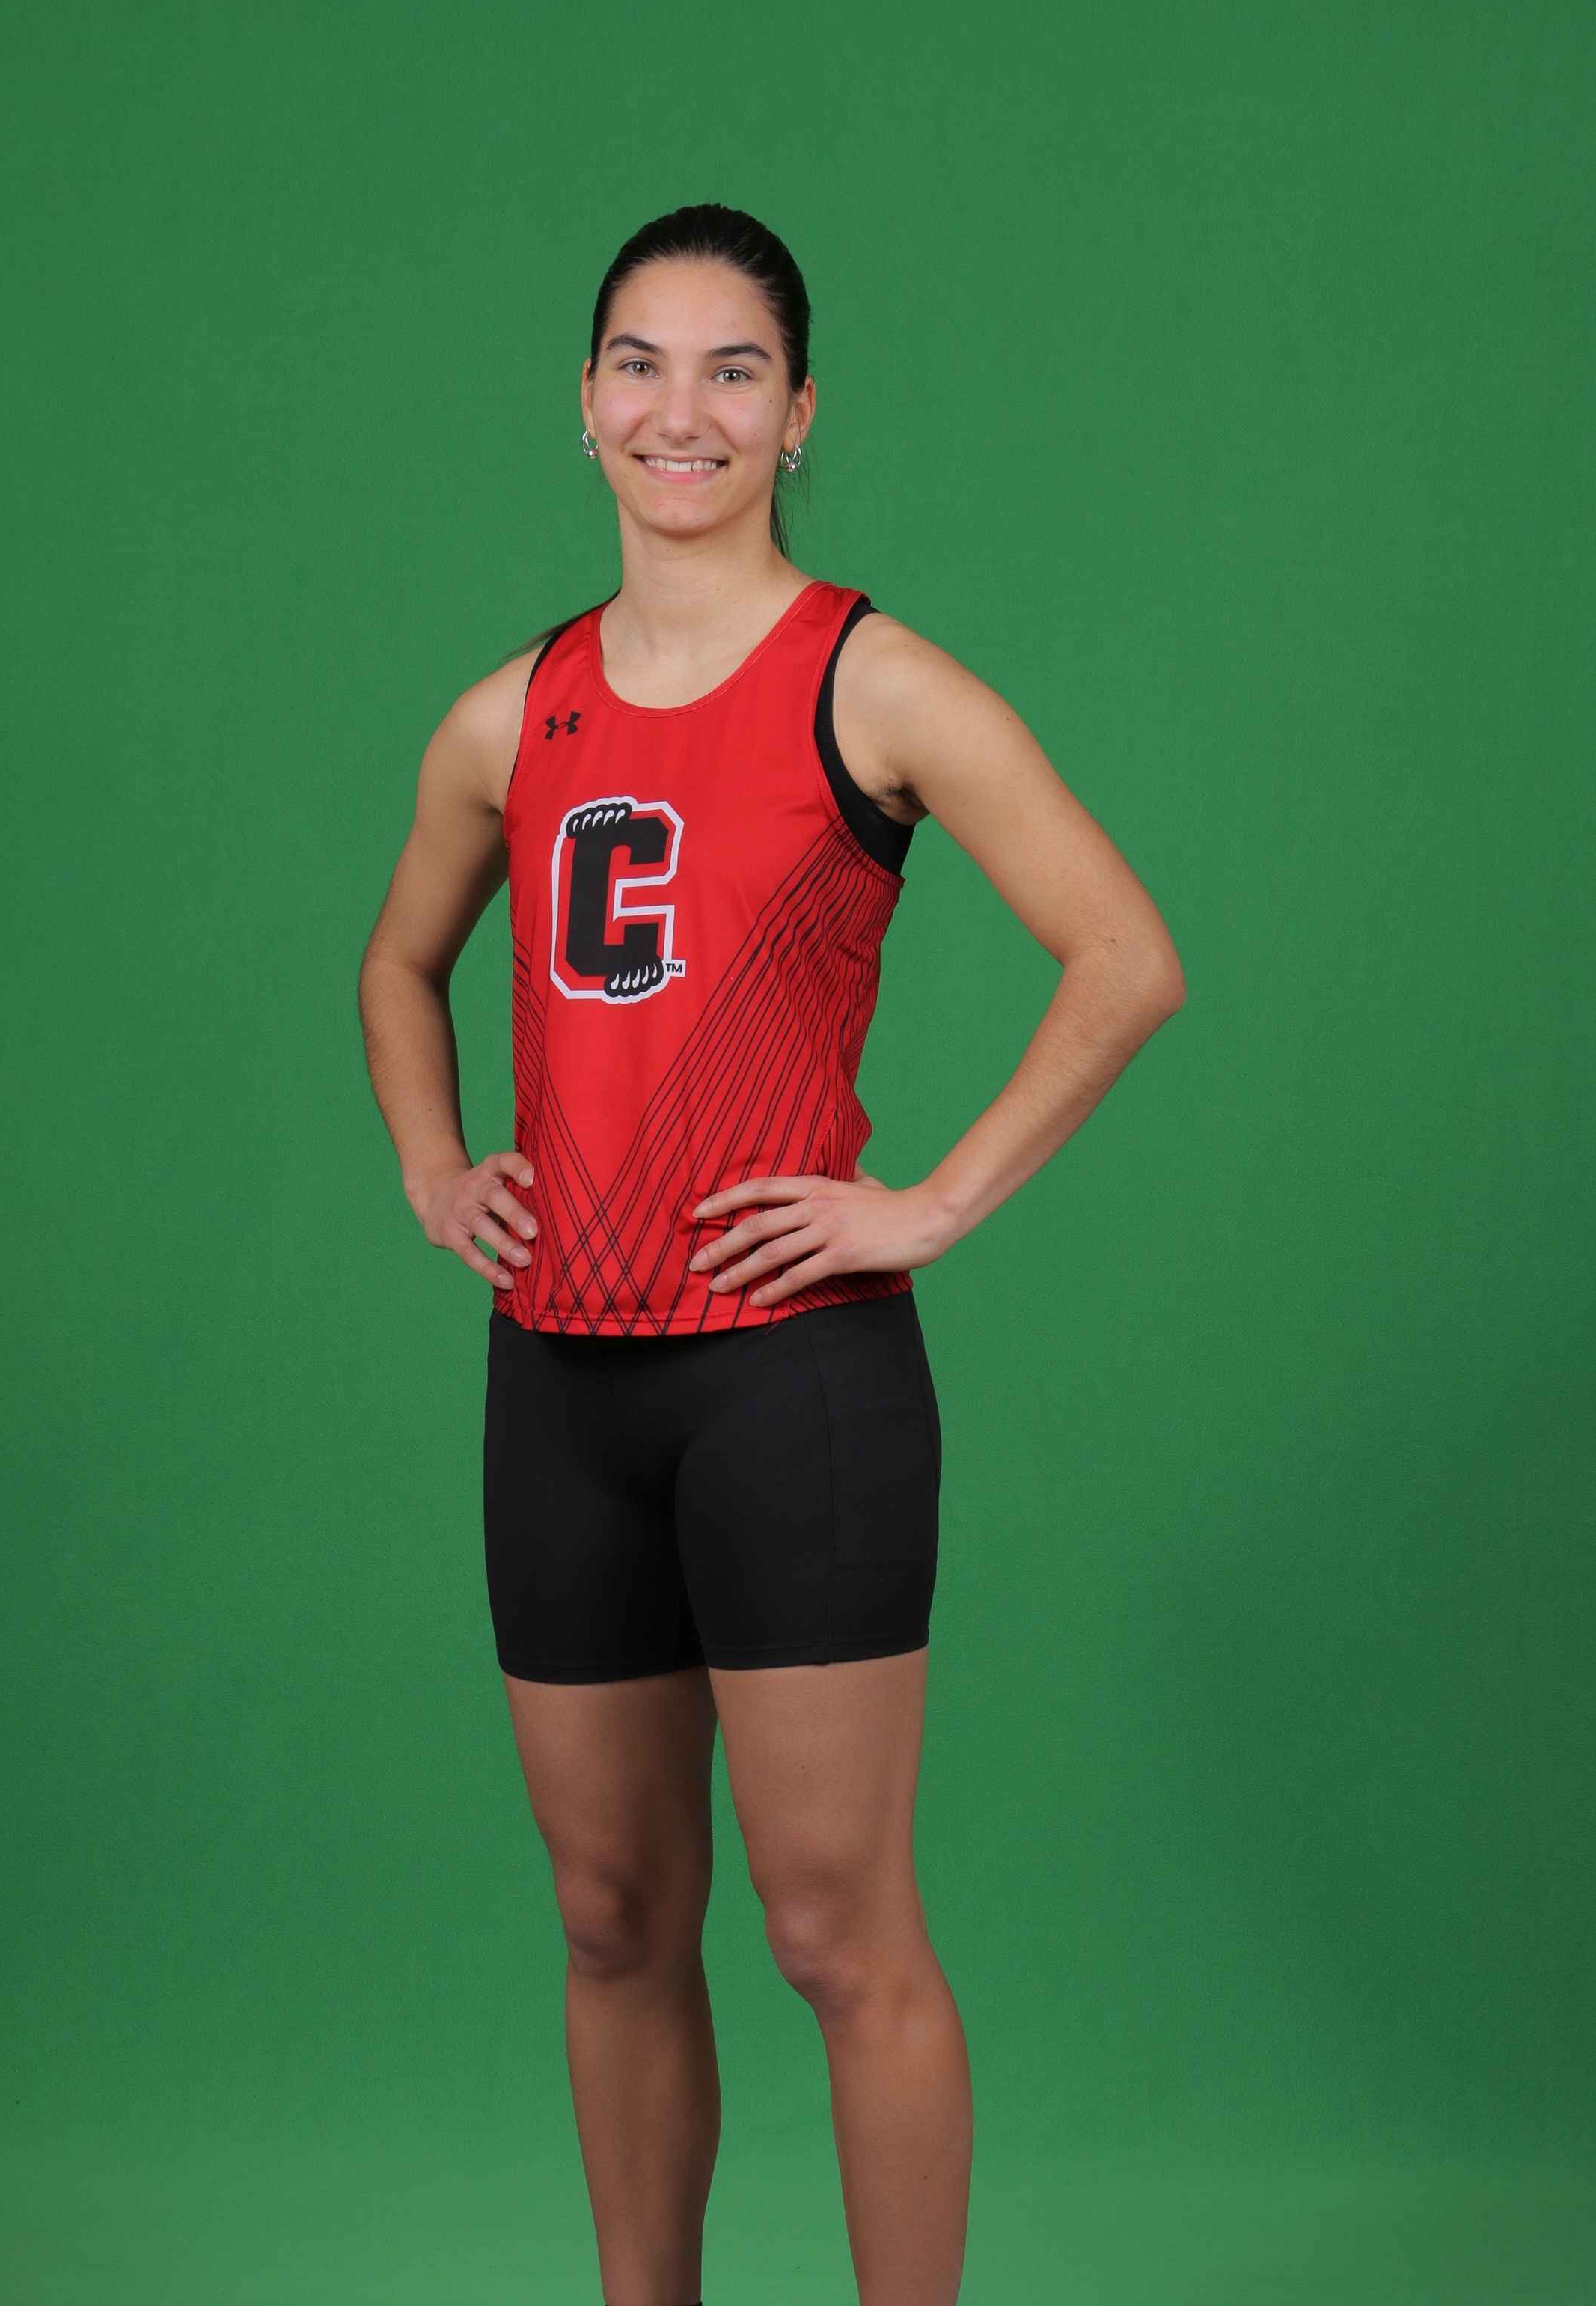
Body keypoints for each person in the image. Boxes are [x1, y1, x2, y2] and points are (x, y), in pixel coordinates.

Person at [358, 204, 1184, 2306]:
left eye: (735, 370)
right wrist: (438, 1168)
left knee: (831, 1931)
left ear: (799, 413)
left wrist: (929, 1206)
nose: (684, 410)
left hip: (789, 1382)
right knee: (613, 1916)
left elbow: (1125, 957)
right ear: (584, 401)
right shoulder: (507, 715)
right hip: (557, 1384)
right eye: (641, 363)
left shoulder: (870, 681)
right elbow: (399, 963)